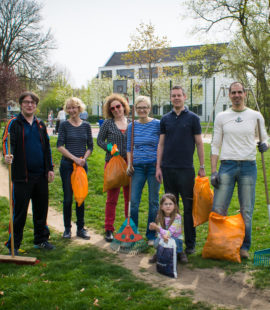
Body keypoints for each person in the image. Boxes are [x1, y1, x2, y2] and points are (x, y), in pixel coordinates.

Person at [211, 81, 269, 259]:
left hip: (248, 166)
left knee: (247, 209)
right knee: (219, 207)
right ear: (229, 95)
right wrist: (214, 170)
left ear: (245, 94)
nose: (236, 95)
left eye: (239, 92)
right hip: (226, 165)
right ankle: (219, 245)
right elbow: (215, 145)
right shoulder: (221, 116)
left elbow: (264, 139)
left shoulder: (256, 116)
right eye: (233, 92)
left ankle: (244, 247)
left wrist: (264, 146)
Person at [2, 91, 55, 254]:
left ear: (36, 105)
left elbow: (47, 148)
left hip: (40, 176)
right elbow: (7, 142)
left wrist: (50, 168)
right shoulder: (14, 123)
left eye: (32, 102)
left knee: (41, 210)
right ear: (21, 104)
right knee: (19, 212)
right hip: (21, 177)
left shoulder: (40, 124)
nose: (29, 105)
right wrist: (7, 155)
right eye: (26, 102)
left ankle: (41, 240)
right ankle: (14, 245)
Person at [156, 85, 205, 255]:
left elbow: (199, 143)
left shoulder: (193, 118)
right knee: (170, 208)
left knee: (188, 207)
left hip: (186, 170)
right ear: (171, 98)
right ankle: (172, 241)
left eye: (179, 95)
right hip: (168, 169)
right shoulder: (165, 119)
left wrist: (202, 166)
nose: (176, 98)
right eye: (173, 96)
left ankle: (190, 244)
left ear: (184, 97)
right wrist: (158, 167)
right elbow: (161, 144)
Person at [57, 97, 93, 240]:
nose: (72, 110)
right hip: (68, 166)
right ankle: (67, 229)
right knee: (67, 198)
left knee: (80, 197)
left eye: (74, 107)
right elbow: (59, 145)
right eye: (69, 108)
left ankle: (80, 228)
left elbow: (90, 146)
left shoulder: (86, 126)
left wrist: (84, 158)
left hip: (82, 166)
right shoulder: (64, 125)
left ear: (79, 108)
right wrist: (75, 159)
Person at [126, 96, 160, 245]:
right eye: (139, 108)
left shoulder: (157, 124)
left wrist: (159, 166)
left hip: (153, 166)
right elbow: (129, 148)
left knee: (153, 202)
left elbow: (161, 145)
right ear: (135, 109)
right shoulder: (131, 126)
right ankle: (132, 233)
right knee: (133, 202)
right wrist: (129, 164)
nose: (142, 110)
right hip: (138, 167)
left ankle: (151, 235)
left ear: (149, 108)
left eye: (145, 107)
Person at [97, 93, 130, 242]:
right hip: (113, 164)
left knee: (129, 199)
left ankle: (128, 227)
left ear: (123, 106)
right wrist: (111, 148)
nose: (116, 109)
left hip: (129, 164)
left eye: (118, 106)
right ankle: (109, 228)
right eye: (113, 108)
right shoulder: (108, 124)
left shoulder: (131, 123)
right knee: (112, 198)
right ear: (110, 110)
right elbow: (99, 141)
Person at [148, 193, 188, 264]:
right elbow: (159, 233)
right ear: (161, 207)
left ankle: (180, 252)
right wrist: (153, 228)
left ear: (175, 206)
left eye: (170, 204)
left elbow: (169, 233)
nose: (168, 206)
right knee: (156, 241)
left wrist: (157, 228)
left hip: (174, 238)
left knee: (175, 241)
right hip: (164, 237)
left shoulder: (177, 217)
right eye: (165, 204)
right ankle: (158, 253)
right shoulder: (159, 217)